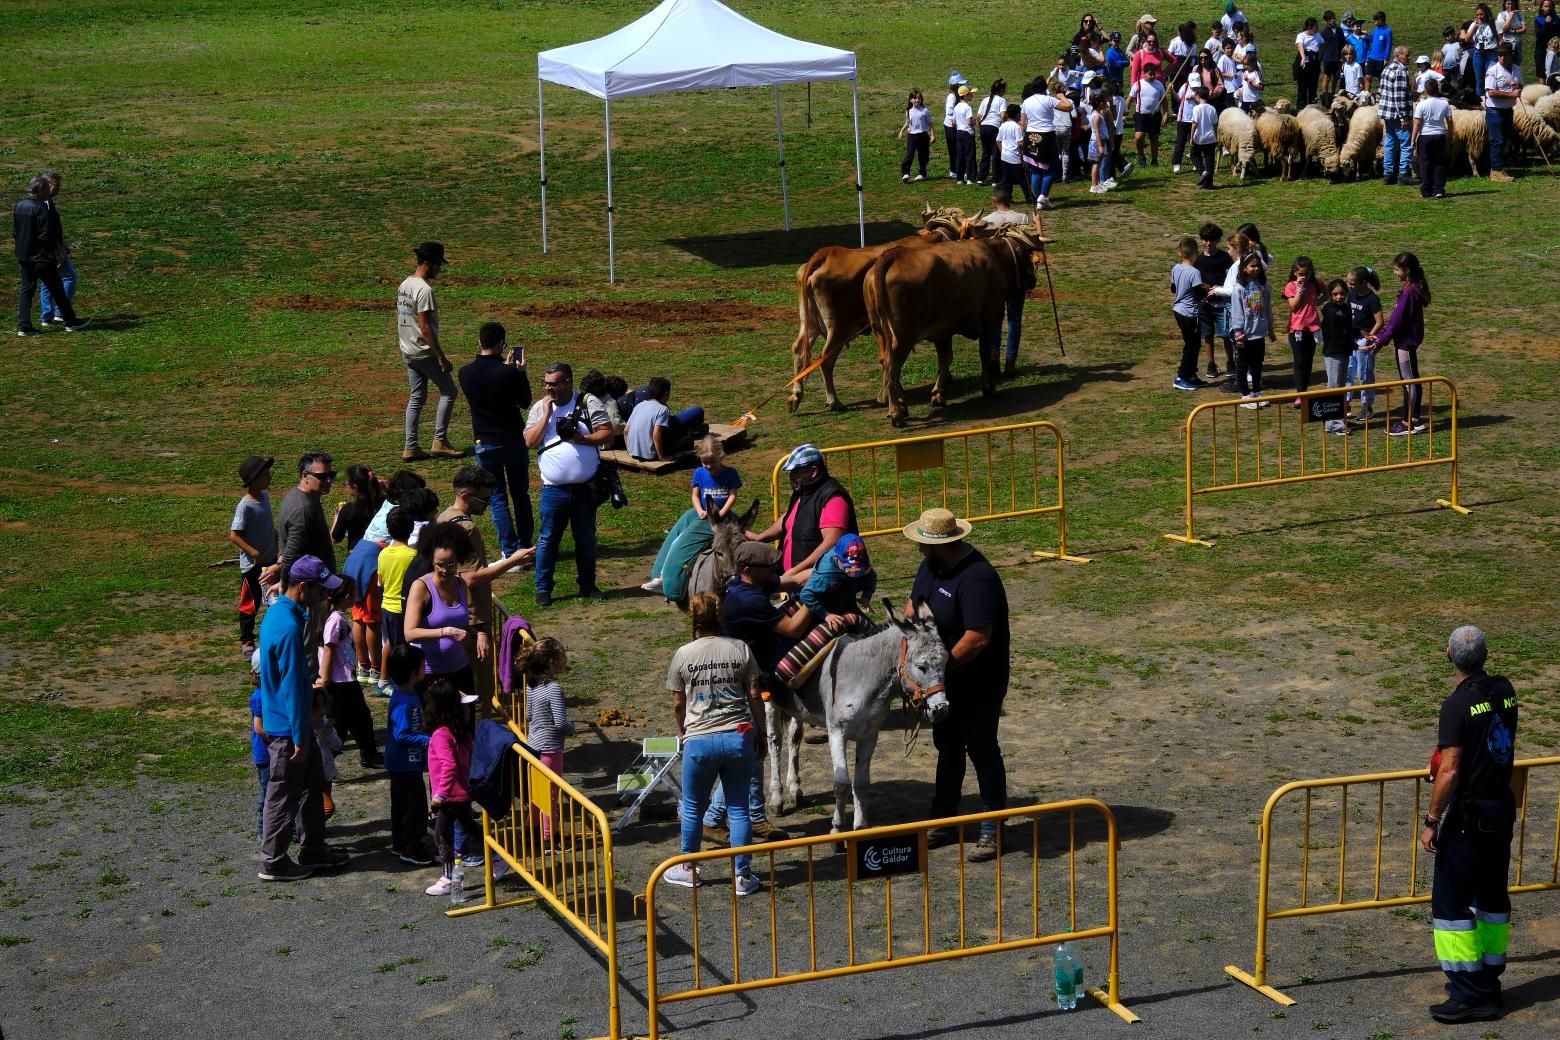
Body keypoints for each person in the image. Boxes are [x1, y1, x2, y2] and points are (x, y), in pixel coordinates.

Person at [1421, 625, 1518, 1023]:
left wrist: (1431, 819)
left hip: (1468, 816)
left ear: (1448, 655)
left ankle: (1469, 992)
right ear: (1485, 655)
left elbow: (1451, 770)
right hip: (1499, 809)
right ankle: (1489, 979)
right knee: (1492, 896)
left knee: (1451, 903)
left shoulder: (1456, 705)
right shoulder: (1505, 690)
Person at [903, 509, 1009, 864]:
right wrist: (910, 660)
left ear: (939, 545)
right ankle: (944, 819)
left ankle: (993, 826)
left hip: (978, 681)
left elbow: (978, 638)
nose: (918, 547)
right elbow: (912, 609)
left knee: (982, 748)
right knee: (947, 747)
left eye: (922, 543)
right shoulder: (931, 568)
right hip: (943, 681)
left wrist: (937, 671)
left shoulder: (977, 578)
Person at [663, 592, 768, 895]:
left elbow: (677, 702)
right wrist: (761, 733)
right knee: (738, 808)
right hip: (738, 735)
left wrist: (685, 731)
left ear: (693, 619)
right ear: (720, 616)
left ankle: (688, 868)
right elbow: (753, 695)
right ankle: (742, 875)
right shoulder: (740, 649)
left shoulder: (684, 654)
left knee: (693, 806)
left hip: (699, 740)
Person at [257, 555, 352, 882]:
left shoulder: (283, 615)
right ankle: (273, 861)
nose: (326, 595)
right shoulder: (287, 628)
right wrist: (299, 735)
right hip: (289, 729)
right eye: (321, 589)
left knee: (313, 787)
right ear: (303, 587)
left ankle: (313, 848)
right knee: (282, 796)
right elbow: (293, 688)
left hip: (293, 724)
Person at [404, 519, 529, 695]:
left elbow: (461, 625)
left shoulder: (460, 584)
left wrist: (479, 634)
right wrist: (446, 631)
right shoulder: (421, 587)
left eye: (451, 564)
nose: (445, 570)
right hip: (430, 673)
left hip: (460, 669)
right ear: (431, 560)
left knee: (465, 720)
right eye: (440, 564)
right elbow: (410, 633)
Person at [524, 361, 614, 606]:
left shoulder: (588, 402)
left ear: (568, 383)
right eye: (545, 384)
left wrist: (580, 438)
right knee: (548, 539)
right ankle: (543, 590)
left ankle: (588, 585)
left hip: (585, 488)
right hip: (553, 489)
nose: (548, 389)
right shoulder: (539, 408)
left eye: (553, 384)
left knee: (585, 538)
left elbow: (607, 433)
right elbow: (529, 442)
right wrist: (545, 416)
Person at [459, 321, 534, 558]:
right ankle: (525, 545)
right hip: (512, 439)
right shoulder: (508, 372)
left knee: (497, 497)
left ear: (479, 342)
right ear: (502, 344)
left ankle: (509, 550)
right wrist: (519, 373)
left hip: (485, 442)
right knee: (520, 493)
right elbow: (524, 401)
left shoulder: (465, 373)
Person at [745, 443, 858, 589]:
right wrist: (759, 537)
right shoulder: (804, 492)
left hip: (819, 583)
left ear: (813, 471)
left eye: (796, 472)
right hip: (798, 581)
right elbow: (789, 519)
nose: (791, 477)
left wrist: (796, 571)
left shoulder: (832, 497)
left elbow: (832, 542)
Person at [643, 433, 741, 596]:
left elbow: (732, 495)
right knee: (676, 538)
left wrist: (721, 513)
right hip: (703, 514)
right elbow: (695, 495)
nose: (709, 466)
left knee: (739, 539)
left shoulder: (730, 473)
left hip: (722, 517)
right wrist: (700, 510)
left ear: (721, 456)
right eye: (705, 462)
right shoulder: (699, 473)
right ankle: (661, 576)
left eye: (712, 462)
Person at [397, 241, 461, 461]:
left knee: (416, 397)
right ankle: (439, 441)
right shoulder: (424, 290)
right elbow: (424, 327)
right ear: (429, 263)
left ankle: (410, 446)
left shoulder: (405, 285)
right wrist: (441, 357)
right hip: (424, 352)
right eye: (438, 265)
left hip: (408, 350)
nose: (439, 270)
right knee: (449, 391)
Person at [422, 678, 482, 896]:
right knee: (469, 830)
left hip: (450, 797)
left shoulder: (440, 735)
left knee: (441, 836)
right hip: (461, 793)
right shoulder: (461, 731)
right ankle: (496, 858)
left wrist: (439, 795)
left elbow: (449, 765)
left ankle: (448, 878)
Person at [317, 578, 381, 769]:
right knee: (341, 725)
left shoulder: (335, 616)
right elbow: (328, 648)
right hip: (339, 682)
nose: (356, 596)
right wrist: (325, 677)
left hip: (346, 679)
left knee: (360, 719)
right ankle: (322, 763)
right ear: (347, 596)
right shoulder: (336, 619)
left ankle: (369, 754)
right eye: (354, 593)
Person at [14, 174, 88, 336]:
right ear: (40, 189)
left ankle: (24, 326)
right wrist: (57, 252)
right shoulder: (40, 207)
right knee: (57, 288)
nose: (49, 192)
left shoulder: (20, 205)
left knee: (26, 290)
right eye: (47, 189)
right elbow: (46, 235)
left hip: (24, 256)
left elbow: (16, 232)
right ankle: (70, 321)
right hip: (41, 257)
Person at [1368, 251, 1432, 436]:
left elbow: (1396, 321)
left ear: (1407, 270)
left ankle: (1408, 424)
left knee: (1409, 383)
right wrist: (1382, 336)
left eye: (1397, 269)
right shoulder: (1411, 288)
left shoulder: (1409, 292)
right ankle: (1415, 419)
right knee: (1412, 380)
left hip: (1405, 343)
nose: (1395, 273)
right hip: (1406, 341)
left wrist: (1380, 341)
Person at [383, 643, 434, 865]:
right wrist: (430, 741)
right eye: (423, 665)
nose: (425, 667)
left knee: (403, 805)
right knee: (415, 807)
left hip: (407, 763)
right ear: (414, 671)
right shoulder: (403, 703)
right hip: (404, 765)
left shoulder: (408, 693)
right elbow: (402, 734)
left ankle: (401, 842)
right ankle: (411, 847)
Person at [976, 185, 1034, 376]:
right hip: (1017, 277)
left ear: (994, 200)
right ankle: (1010, 364)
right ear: (1011, 199)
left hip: (995, 280)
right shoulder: (1023, 219)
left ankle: (993, 360)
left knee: (995, 320)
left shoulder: (986, 222)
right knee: (1014, 320)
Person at [519, 637, 573, 838]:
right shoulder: (554, 689)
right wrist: (572, 728)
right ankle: (550, 837)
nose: (565, 659)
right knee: (551, 796)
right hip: (550, 749)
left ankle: (530, 830)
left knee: (536, 794)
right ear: (552, 661)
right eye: (562, 655)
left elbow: (529, 715)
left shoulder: (531, 686)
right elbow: (560, 723)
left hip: (532, 746)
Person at [230, 454, 279, 658]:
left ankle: (273, 635)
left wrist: (275, 535)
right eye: (265, 474)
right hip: (252, 565)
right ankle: (247, 640)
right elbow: (234, 534)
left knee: (273, 597)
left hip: (270, 559)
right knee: (251, 601)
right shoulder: (245, 505)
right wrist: (253, 552)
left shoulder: (265, 497)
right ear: (254, 479)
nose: (269, 477)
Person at [278, 450, 336, 588]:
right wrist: (284, 585)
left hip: (316, 583)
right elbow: (292, 554)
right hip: (310, 588)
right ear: (305, 476)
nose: (328, 480)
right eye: (321, 476)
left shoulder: (305, 497)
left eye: (331, 475)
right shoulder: (302, 509)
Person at [1231, 247, 1276, 408]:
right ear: (1244, 268)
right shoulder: (1239, 289)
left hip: (1259, 333)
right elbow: (1237, 312)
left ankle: (1256, 393)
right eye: (1251, 266)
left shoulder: (1263, 286)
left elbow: (1267, 308)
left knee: (1257, 365)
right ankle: (1245, 396)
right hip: (1245, 335)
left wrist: (1270, 328)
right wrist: (1238, 333)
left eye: (1257, 266)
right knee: (1242, 366)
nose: (1255, 269)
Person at [626, 376, 706, 461]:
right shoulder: (662, 409)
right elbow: (656, 434)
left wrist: (629, 450)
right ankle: (692, 431)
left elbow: (626, 430)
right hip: (651, 454)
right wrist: (661, 457)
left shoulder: (639, 405)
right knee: (688, 440)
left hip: (633, 453)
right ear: (666, 393)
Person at [35, 171, 78, 329]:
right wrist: (58, 250)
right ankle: (60, 312)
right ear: (46, 185)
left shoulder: (44, 202)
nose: (58, 188)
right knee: (69, 278)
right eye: (55, 184)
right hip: (51, 249)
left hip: (47, 248)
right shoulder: (45, 204)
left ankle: (47, 315)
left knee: (47, 282)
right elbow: (48, 230)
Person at [1282, 256, 1326, 401]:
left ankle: (1304, 391)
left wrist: (1316, 302)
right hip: (1297, 328)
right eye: (1301, 274)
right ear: (1295, 272)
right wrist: (1300, 289)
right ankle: (1300, 394)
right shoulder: (1291, 286)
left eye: (1307, 274)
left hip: (1312, 328)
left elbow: (1326, 292)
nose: (1304, 277)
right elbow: (1294, 305)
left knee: (1308, 361)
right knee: (1299, 361)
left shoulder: (1315, 283)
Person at [1345, 265, 1384, 424]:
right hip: (1351, 339)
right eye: (1348, 282)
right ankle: (1345, 403)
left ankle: (1366, 406)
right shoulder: (1351, 295)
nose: (1349, 286)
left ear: (1363, 282)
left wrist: (1369, 337)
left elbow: (1380, 321)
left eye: (1352, 283)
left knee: (1364, 374)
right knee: (1347, 372)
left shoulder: (1372, 298)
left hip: (1364, 341)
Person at [1194, 223, 1233, 379]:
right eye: (1205, 240)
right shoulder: (1198, 260)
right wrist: (1203, 288)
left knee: (1226, 335)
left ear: (1217, 241)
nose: (1208, 243)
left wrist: (1220, 287)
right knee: (1207, 334)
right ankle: (1211, 363)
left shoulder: (1224, 258)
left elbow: (1231, 279)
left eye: (1211, 240)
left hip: (1222, 302)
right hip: (1205, 303)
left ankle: (1231, 362)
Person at [1169, 237, 1207, 391]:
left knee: (1193, 343)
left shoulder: (1176, 268)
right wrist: (1206, 291)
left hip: (1178, 310)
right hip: (1190, 313)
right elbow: (1198, 294)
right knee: (1191, 345)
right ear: (1196, 254)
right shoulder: (1194, 272)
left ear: (1180, 253)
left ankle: (1191, 374)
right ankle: (1182, 376)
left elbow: (1173, 288)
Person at [1319, 279, 1355, 435]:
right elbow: (1335, 333)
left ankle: (1338, 420)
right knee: (1333, 388)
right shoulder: (1330, 310)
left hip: (1344, 351)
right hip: (1333, 352)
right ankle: (1332, 424)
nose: (1339, 297)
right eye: (1335, 294)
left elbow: (1348, 329)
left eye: (1342, 293)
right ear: (1330, 295)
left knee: (1340, 388)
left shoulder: (1346, 308)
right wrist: (1352, 344)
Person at [1484, 43, 1523, 182]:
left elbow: (1520, 86)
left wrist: (1518, 88)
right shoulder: (1493, 71)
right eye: (1500, 55)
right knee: (1497, 140)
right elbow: (1491, 91)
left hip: (1508, 110)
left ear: (1510, 55)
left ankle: (1499, 167)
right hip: (1495, 110)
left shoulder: (1516, 69)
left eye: (1505, 54)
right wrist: (1511, 94)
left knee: (1504, 140)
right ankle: (1496, 171)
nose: (1502, 57)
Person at [1376, 46, 1414, 185]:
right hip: (1397, 114)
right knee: (1406, 143)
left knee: (1390, 142)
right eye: (1406, 55)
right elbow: (1399, 96)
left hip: (1387, 112)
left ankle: (1388, 173)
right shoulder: (1400, 71)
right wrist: (1403, 117)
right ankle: (1403, 173)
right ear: (1398, 56)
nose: (1409, 58)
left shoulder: (1387, 68)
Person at [1414, 78, 1453, 198]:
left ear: (1425, 90)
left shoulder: (1421, 104)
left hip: (1425, 136)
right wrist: (1450, 135)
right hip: (1440, 135)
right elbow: (1450, 121)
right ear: (1437, 89)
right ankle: (1439, 189)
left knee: (1425, 163)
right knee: (1439, 163)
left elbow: (1417, 123)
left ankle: (1426, 190)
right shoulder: (1445, 103)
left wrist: (1413, 139)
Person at [1129, 59, 1166, 166]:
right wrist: (1124, 113)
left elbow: (1163, 100)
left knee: (1154, 138)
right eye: (1150, 74)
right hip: (1141, 114)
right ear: (1144, 73)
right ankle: (1141, 156)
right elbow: (1130, 99)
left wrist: (1166, 113)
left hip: (1154, 115)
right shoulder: (1137, 84)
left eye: (1154, 74)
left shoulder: (1159, 84)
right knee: (1139, 136)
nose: (1152, 76)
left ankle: (1154, 160)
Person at [247, 652, 267, 842]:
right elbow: (259, 728)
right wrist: (277, 739)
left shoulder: (265, 694)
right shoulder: (260, 697)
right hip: (265, 753)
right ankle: (263, 832)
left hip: (269, 752)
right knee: (267, 793)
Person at [995, 104, 1030, 202]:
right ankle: (1029, 197)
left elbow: (998, 140)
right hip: (1015, 157)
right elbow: (1019, 143)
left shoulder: (1003, 125)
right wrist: (1026, 148)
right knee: (1022, 179)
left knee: (1007, 179)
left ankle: (1007, 198)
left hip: (1005, 156)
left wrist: (1002, 151)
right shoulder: (1016, 127)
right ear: (1018, 115)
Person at [975, 79, 1007, 185]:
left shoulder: (985, 100)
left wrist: (980, 126)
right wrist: (1004, 125)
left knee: (985, 152)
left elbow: (978, 116)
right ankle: (996, 179)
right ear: (1002, 90)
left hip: (984, 127)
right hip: (994, 127)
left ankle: (981, 177)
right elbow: (1002, 115)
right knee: (995, 153)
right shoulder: (1001, 100)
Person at [898, 89, 933, 182]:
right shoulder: (909, 111)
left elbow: (930, 124)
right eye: (914, 98)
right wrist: (902, 131)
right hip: (912, 136)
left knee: (923, 155)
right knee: (909, 154)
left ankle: (922, 173)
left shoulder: (924, 111)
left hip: (923, 136)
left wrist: (932, 135)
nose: (917, 100)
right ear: (910, 100)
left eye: (919, 98)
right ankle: (905, 173)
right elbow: (908, 123)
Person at [1466, 4, 1500, 98]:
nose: (1479, 17)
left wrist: (1500, 53)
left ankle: (1491, 99)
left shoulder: (1494, 23)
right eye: (1477, 15)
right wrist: (1474, 27)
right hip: (1478, 54)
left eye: (1481, 14)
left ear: (1486, 13)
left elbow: (1499, 39)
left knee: (1490, 77)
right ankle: (1480, 100)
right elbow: (1466, 39)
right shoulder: (1474, 24)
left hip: (1491, 53)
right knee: (1479, 79)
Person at [1295, 17, 1324, 108]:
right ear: (1309, 26)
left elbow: (1323, 43)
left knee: (1313, 86)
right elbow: (1300, 46)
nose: (1316, 28)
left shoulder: (1317, 35)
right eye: (1315, 26)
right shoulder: (1301, 35)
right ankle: (1300, 107)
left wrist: (1319, 55)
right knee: (1302, 87)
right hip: (1304, 62)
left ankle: (1312, 106)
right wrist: (1303, 58)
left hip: (1314, 63)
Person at [952, 84, 978, 185]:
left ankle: (959, 178)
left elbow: (953, 123)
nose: (972, 96)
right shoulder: (967, 108)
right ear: (966, 95)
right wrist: (975, 121)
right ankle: (970, 178)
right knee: (969, 155)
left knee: (960, 155)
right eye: (971, 94)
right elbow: (969, 122)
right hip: (967, 133)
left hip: (959, 132)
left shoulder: (957, 107)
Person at [942, 73, 966, 178]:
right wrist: (954, 121)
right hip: (950, 126)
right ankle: (954, 170)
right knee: (953, 148)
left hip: (955, 125)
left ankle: (957, 169)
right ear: (955, 86)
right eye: (960, 85)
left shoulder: (957, 96)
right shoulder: (951, 97)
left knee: (958, 148)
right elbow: (949, 111)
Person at [1319, 10, 1347, 95]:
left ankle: (1333, 94)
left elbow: (1343, 44)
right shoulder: (1324, 32)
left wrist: (1343, 56)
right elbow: (1321, 46)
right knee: (1327, 77)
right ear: (1326, 21)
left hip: (1338, 58)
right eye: (1330, 19)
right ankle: (1324, 95)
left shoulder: (1339, 30)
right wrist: (1320, 59)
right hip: (1328, 58)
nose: (1332, 20)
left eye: (1333, 18)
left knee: (1336, 77)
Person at [1364, 11, 1394, 91]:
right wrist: (1365, 36)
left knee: (1381, 78)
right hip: (1371, 57)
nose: (1374, 22)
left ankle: (1381, 94)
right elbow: (1372, 38)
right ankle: (1366, 94)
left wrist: (1386, 58)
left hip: (1381, 59)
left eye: (1375, 20)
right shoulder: (1375, 29)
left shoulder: (1388, 31)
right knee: (1368, 77)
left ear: (1380, 20)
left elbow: (1388, 45)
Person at [1497, 0, 1528, 66]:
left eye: (1512, 4)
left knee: (1517, 63)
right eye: (1508, 4)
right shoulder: (1502, 14)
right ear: (1505, 4)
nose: (1510, 6)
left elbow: (1524, 29)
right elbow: (1504, 29)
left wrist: (1513, 31)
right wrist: (1510, 17)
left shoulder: (1519, 14)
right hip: (1507, 43)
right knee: (1507, 63)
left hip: (1518, 43)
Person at [1534, 0, 1558, 83]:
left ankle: (1552, 91)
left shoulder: (1556, 19)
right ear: (1542, 7)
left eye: (1550, 6)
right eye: (1546, 6)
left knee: (1552, 72)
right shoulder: (1538, 19)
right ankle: (1543, 91)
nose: (1548, 8)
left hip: (1552, 49)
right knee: (1541, 73)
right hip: (1541, 49)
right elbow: (1539, 35)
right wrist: (1546, 24)